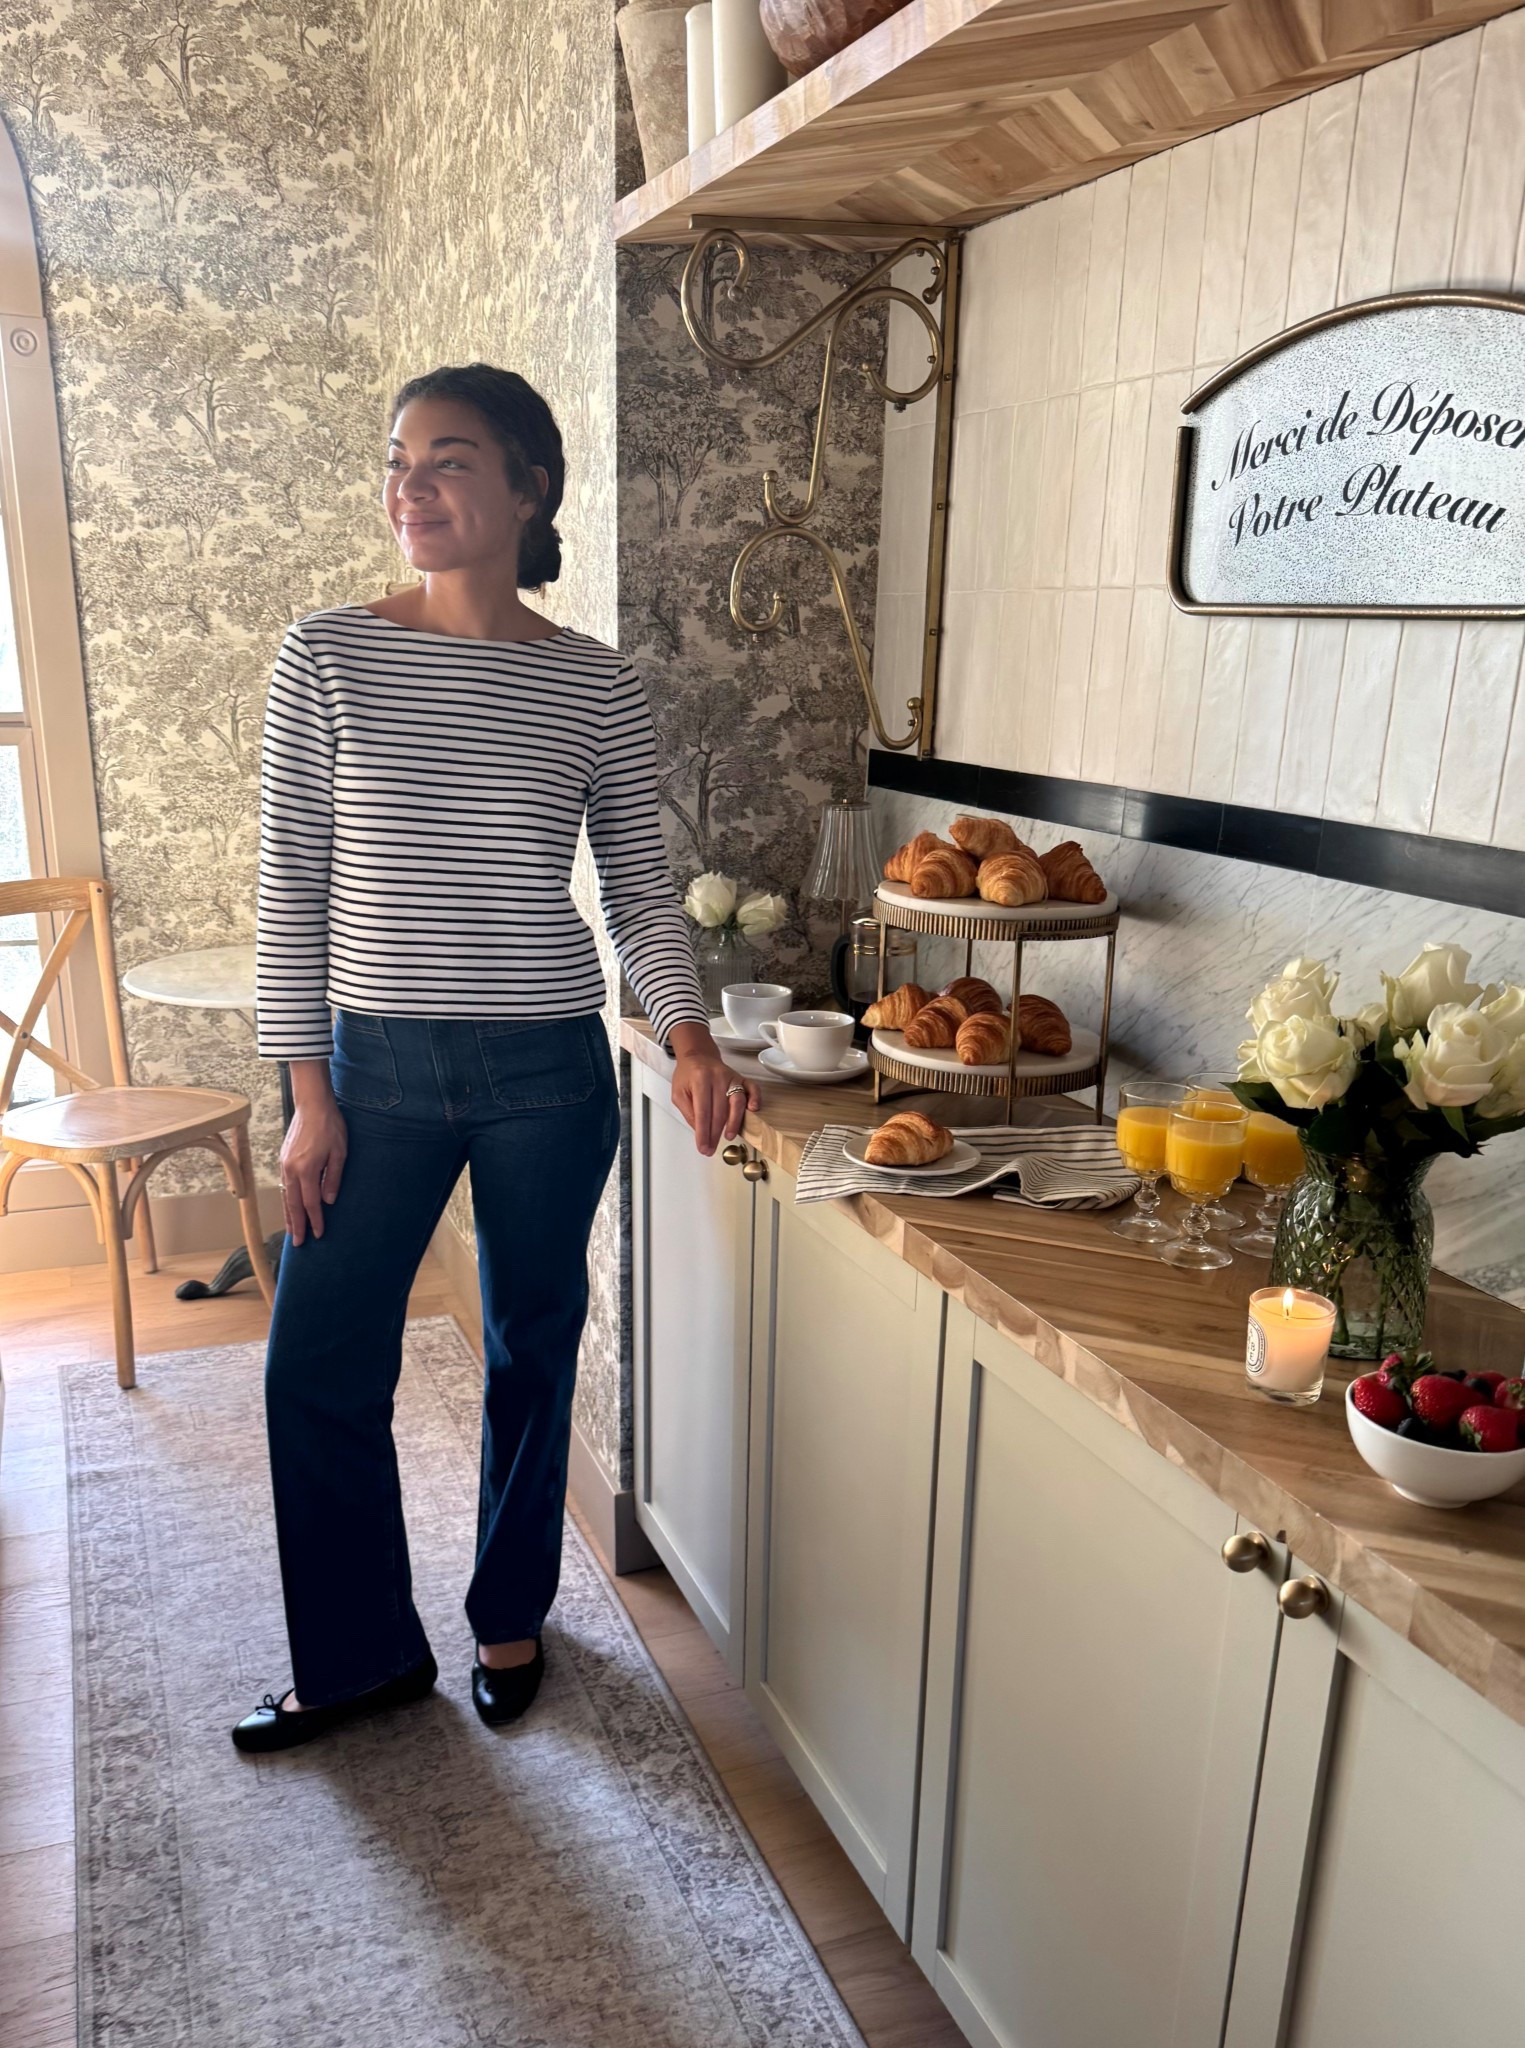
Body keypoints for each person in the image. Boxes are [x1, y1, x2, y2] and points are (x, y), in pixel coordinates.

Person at [233, 364, 758, 1753]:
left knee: (535, 1343)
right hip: (374, 1072)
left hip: (547, 1071)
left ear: (530, 486)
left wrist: (689, 1038)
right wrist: (304, 1095)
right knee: (317, 1364)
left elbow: (640, 892)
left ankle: (510, 1612)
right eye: (398, 460)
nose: (410, 486)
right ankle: (354, 1659)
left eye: (448, 460)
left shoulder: (594, 686)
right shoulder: (327, 655)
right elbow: (291, 882)